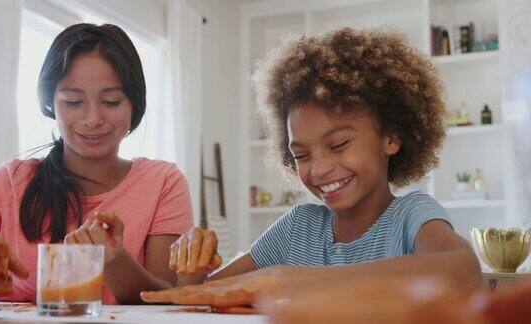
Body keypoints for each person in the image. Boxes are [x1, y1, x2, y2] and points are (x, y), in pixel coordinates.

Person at [147, 27, 481, 302]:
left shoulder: (411, 216)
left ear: (391, 137)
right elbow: (205, 296)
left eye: (338, 145)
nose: (318, 169)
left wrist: (287, 281)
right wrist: (192, 269)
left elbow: (462, 271)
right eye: (302, 155)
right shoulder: (298, 228)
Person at [0, 23, 194, 305]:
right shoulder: (10, 182)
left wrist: (114, 260)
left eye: (111, 101)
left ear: (134, 104)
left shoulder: (163, 182)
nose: (92, 118)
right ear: (50, 103)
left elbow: (167, 300)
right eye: (73, 101)